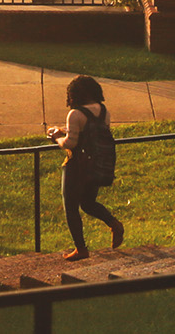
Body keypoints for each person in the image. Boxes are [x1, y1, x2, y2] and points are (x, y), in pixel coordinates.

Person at [45, 74, 125, 261]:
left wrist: (56, 136)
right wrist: (68, 131)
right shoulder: (104, 111)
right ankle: (114, 224)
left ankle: (81, 249)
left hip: (76, 167)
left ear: (73, 94)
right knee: (88, 203)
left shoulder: (75, 114)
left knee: (71, 207)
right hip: (96, 165)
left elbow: (71, 144)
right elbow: (91, 135)